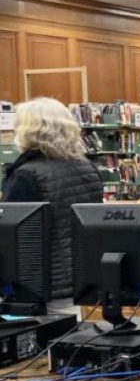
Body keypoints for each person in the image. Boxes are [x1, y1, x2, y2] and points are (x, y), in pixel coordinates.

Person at [1, 98, 103, 300]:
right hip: (82, 279)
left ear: (28, 131)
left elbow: (11, 236)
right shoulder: (87, 168)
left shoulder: (27, 175)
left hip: (42, 284)